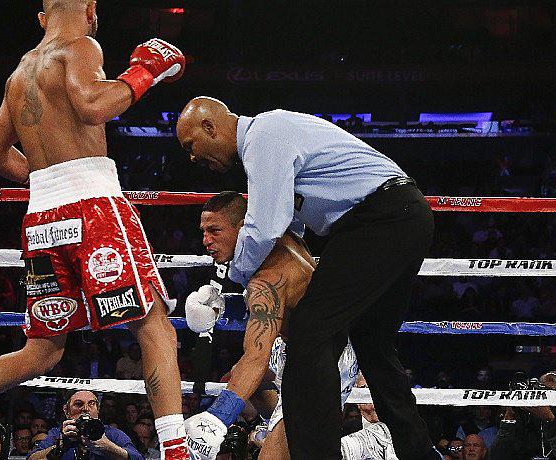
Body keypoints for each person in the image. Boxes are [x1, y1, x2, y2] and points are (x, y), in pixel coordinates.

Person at [0, 2, 188, 459]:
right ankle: (176, 451)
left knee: (42, 350)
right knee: (154, 324)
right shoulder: (80, 47)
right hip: (93, 208)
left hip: (42, 219)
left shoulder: (19, 75)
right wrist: (145, 73)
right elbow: (94, 105)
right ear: (91, 9)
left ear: (42, 17)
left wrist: (48, 179)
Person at [176, 96, 437, 459]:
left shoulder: (263, 137)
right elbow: (288, 225)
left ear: (210, 127)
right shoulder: (271, 139)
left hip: (379, 220)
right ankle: (418, 453)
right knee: (374, 347)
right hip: (402, 216)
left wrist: (230, 277)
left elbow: (264, 228)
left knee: (312, 332)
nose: (192, 157)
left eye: (191, 145)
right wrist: (229, 290)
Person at [184, 192, 394, 460]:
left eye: (215, 231)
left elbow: (256, 356)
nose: (206, 240)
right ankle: (282, 430)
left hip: (322, 359)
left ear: (243, 227)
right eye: (203, 232)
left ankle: (366, 445)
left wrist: (216, 418)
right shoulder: (279, 240)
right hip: (295, 347)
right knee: (241, 379)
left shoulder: (268, 279)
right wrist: (226, 305)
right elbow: (280, 305)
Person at [28, 390, 143, 460]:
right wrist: (59, 447)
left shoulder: (112, 434)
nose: (86, 409)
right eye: (78, 404)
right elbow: (32, 458)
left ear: (98, 410)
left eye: (91, 404)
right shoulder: (57, 434)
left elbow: (138, 458)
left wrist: (108, 447)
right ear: (66, 411)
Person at [487, 370, 556, 460]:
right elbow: (495, 457)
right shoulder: (527, 420)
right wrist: (510, 416)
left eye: (554, 395)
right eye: (543, 393)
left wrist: (550, 421)